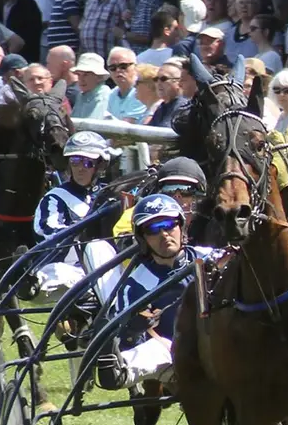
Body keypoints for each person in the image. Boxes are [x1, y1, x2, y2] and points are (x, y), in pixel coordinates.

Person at [93, 194, 219, 391]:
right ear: (143, 238)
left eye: (169, 224)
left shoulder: (211, 257)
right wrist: (134, 328)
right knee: (153, 350)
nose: (164, 234)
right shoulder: (134, 284)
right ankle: (117, 371)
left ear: (181, 226)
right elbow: (125, 336)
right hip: (174, 357)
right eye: (153, 229)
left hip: (223, 345)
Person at [31, 131, 121, 295]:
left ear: (99, 165)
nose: (80, 168)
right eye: (75, 161)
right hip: (70, 268)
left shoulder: (110, 195)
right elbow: (47, 231)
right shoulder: (55, 198)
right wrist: (80, 229)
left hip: (111, 264)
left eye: (87, 163)